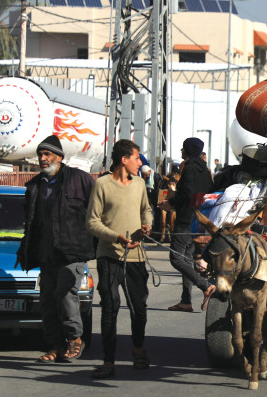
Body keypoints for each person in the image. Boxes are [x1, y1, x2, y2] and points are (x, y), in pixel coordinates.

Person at [16, 135, 96, 364]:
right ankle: (55, 346)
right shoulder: (34, 185)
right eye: (40, 154)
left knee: (65, 293)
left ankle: (75, 338)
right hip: (46, 251)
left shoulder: (79, 180)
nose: (43, 158)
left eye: (47, 154)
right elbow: (30, 222)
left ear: (60, 157)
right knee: (48, 300)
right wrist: (26, 249)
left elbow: (98, 210)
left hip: (73, 250)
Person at [86, 139, 153, 379]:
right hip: (109, 256)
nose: (140, 163)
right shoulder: (102, 184)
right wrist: (115, 237)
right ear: (124, 160)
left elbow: (146, 209)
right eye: (137, 158)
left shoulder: (139, 184)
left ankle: (137, 349)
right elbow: (92, 222)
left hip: (136, 256)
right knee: (110, 307)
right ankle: (108, 361)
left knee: (139, 308)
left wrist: (147, 225)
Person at [159, 137, 215, 313]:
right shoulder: (205, 170)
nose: (181, 151)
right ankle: (185, 301)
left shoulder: (189, 168)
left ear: (188, 151)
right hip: (199, 220)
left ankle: (205, 286)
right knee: (188, 260)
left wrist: (171, 203)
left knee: (176, 258)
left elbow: (187, 194)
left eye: (183, 149)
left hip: (186, 220)